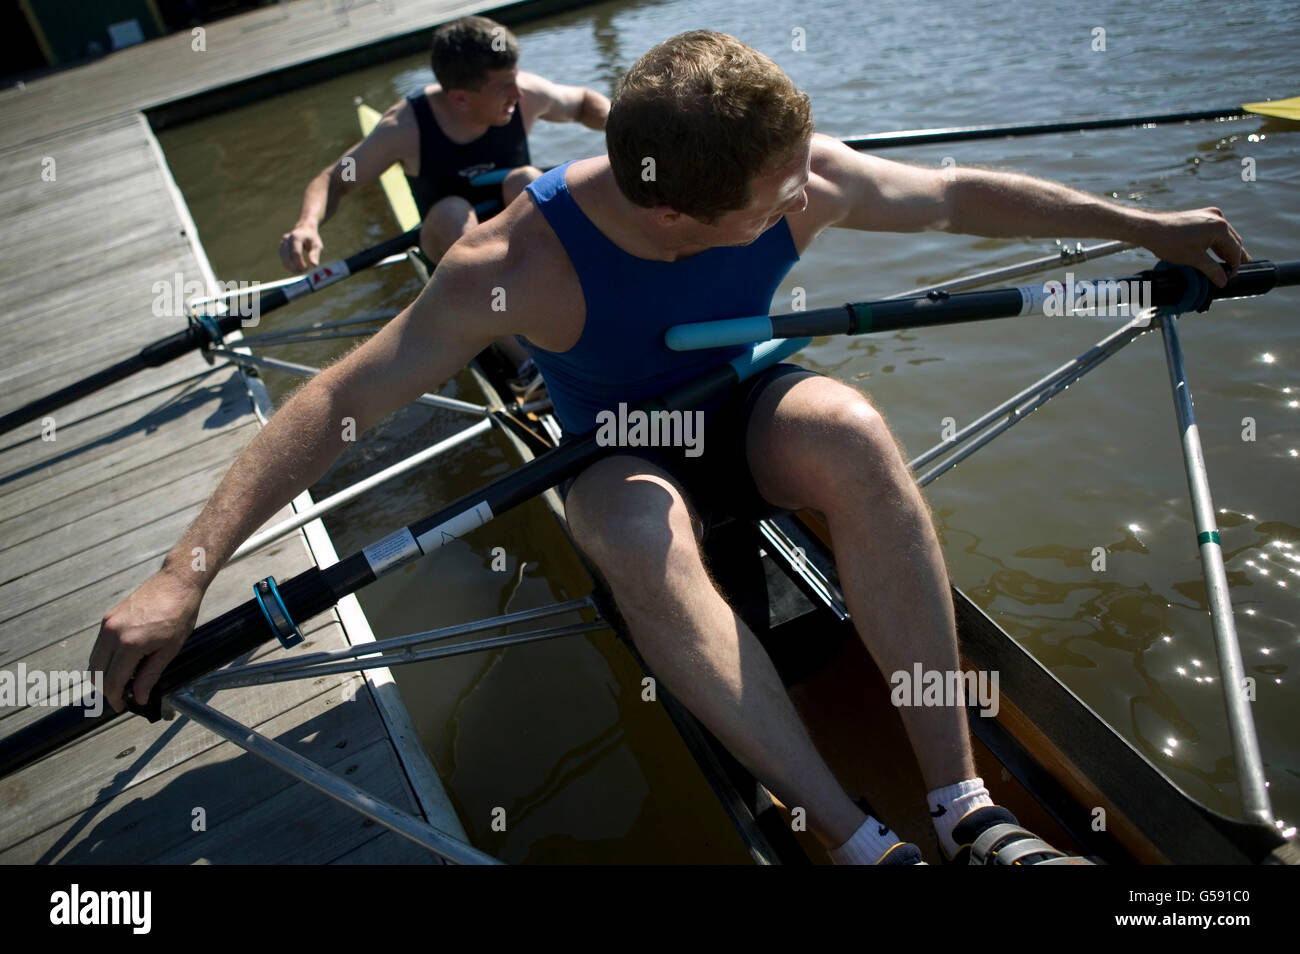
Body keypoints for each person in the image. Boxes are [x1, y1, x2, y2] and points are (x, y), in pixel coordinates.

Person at [94, 31, 1246, 864]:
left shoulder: (794, 175)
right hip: (611, 442)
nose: (812, 191)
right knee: (641, 531)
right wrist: (185, 571)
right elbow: (340, 398)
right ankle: (853, 840)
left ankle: (961, 805)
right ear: (674, 218)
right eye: (779, 192)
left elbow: (952, 195)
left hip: (741, 403)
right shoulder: (507, 266)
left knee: (854, 427)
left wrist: (1142, 226)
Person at [278, 14, 609, 387]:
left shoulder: (524, 94)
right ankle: (527, 364)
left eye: (515, 78)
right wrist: (307, 224)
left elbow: (582, 103)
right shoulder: (403, 128)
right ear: (460, 98)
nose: (518, 93)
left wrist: (623, 128)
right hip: (452, 245)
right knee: (454, 212)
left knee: (529, 180)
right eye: (505, 87)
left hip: (519, 233)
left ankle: (587, 309)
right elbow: (335, 180)